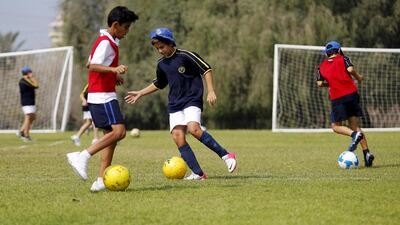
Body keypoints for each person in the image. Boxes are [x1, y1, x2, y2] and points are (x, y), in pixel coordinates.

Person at [125, 28, 237, 180]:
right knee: (178, 137)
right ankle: (198, 173)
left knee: (194, 129)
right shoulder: (161, 64)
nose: (160, 50)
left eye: (162, 47)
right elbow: (159, 83)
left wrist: (211, 91)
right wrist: (140, 93)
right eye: (157, 48)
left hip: (192, 99)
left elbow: (206, 69)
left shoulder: (186, 56)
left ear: (171, 43)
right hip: (175, 104)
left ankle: (226, 155)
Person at [67, 6, 138, 191]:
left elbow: (89, 62)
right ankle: (82, 156)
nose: (127, 31)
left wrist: (113, 76)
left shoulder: (108, 40)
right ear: (115, 25)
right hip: (102, 96)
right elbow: (93, 67)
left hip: (103, 94)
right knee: (119, 132)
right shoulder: (105, 42)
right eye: (126, 27)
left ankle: (100, 180)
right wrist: (114, 70)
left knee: (111, 137)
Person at [316, 41, 375, 167]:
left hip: (337, 97)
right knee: (354, 124)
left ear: (327, 54)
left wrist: (330, 84)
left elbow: (320, 84)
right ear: (338, 50)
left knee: (335, 127)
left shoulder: (321, 66)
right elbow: (350, 69)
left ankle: (354, 135)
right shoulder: (344, 58)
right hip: (352, 94)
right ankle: (367, 153)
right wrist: (358, 77)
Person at [18, 66, 39, 142]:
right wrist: (32, 77)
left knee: (33, 117)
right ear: (27, 73)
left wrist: (31, 78)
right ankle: (25, 135)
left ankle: (21, 131)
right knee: (28, 117)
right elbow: (36, 85)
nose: (31, 73)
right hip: (27, 102)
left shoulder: (27, 80)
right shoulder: (24, 81)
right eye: (30, 72)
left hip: (31, 102)